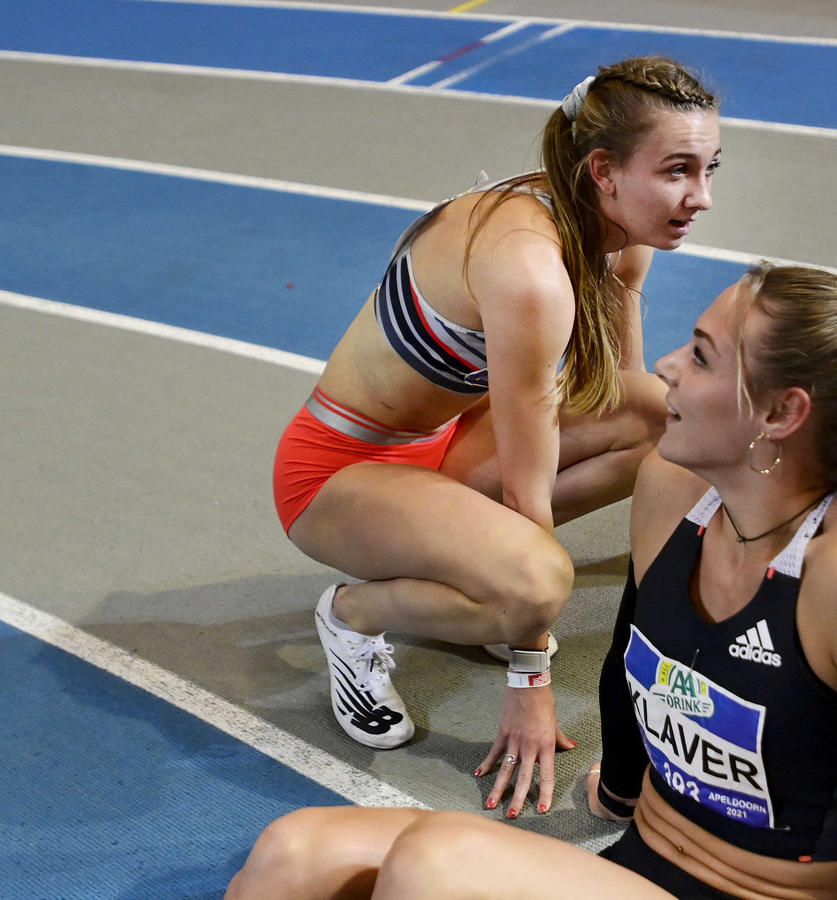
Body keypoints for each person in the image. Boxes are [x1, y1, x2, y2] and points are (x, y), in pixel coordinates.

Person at [227, 263, 837, 900]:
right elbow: (638, 646)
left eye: (701, 355)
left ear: (780, 412)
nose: (666, 365)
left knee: (439, 864)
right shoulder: (675, 487)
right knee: (294, 853)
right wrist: (623, 792)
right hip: (642, 867)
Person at [271, 56, 722, 817]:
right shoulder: (529, 269)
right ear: (604, 170)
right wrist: (529, 669)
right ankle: (353, 614)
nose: (701, 197)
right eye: (678, 171)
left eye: (710, 169)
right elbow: (527, 470)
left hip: (442, 444)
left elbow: (618, 395)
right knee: (538, 583)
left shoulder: (620, 234)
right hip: (338, 472)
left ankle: (482, 574)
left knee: (664, 414)